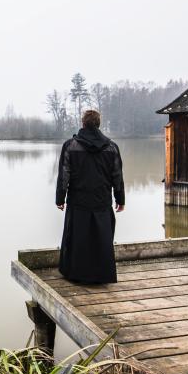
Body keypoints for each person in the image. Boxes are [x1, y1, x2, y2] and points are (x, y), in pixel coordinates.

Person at [55, 109, 125, 284]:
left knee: (77, 236)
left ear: (83, 123)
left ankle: (76, 273)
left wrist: (60, 198)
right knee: (101, 237)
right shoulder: (111, 147)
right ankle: (102, 275)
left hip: (78, 201)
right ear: (98, 124)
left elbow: (64, 174)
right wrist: (120, 199)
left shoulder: (70, 146)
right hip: (102, 201)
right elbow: (117, 175)